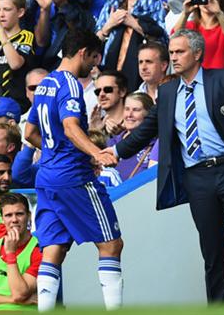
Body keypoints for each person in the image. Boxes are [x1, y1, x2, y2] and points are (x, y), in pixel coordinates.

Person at [103, 29, 224, 301]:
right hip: (197, 178)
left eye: (179, 52)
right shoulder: (167, 92)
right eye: (171, 52)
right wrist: (117, 150)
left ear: (197, 53)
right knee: (211, 249)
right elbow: (147, 129)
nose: (174, 57)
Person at [24, 28, 123, 311]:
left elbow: (30, 133)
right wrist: (97, 153)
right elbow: (70, 127)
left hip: (46, 177)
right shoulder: (69, 84)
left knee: (54, 248)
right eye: (93, 58)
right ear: (83, 53)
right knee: (111, 245)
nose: (93, 66)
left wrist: (56, 151)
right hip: (73, 177)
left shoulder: (45, 83)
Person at [0, 192, 41, 311]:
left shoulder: (38, 249)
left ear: (29, 216)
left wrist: (10, 254)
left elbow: (20, 293)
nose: (14, 220)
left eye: (19, 214)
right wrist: (11, 299)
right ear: (2, 219)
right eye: (8, 215)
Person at [95, 0, 167, 91]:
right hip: (110, 68)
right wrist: (109, 25)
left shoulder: (153, 3)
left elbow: (161, 42)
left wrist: (134, 23)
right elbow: (95, 41)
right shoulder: (111, 5)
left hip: (139, 71)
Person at [173, 0, 224, 69]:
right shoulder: (190, 26)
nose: (207, 0)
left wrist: (218, 13)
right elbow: (174, 39)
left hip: (217, 77)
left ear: (220, 0)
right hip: (193, 77)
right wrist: (185, 14)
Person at [107, 92, 156, 180]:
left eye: (136, 110)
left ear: (149, 114)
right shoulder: (111, 142)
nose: (129, 115)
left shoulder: (155, 145)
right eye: (126, 109)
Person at [91, 70, 128, 136]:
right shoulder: (97, 124)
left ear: (122, 91)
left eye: (108, 89)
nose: (101, 94)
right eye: (97, 91)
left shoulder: (133, 121)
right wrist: (94, 131)